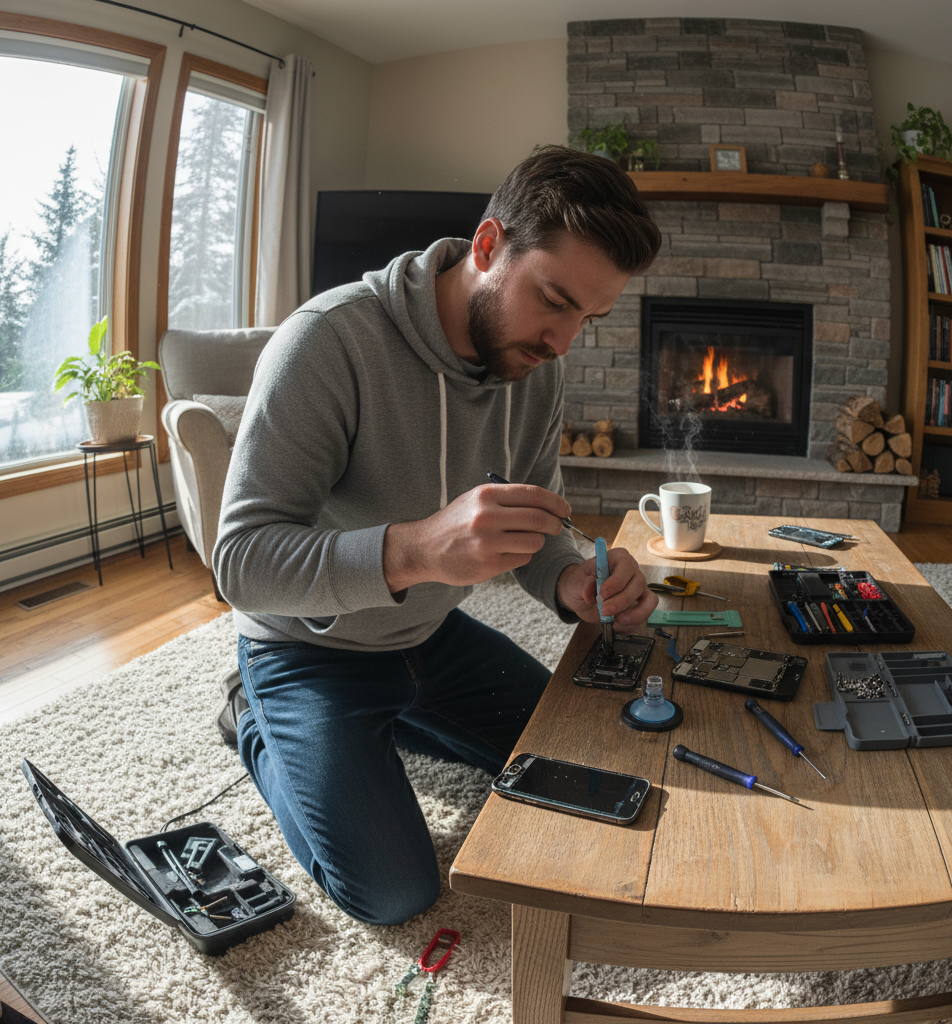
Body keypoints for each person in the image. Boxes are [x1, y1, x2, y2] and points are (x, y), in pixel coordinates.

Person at [212, 145, 662, 926]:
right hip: (307, 651)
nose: (563, 341)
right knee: (395, 893)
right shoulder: (326, 341)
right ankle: (250, 714)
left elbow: (542, 521)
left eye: (588, 318)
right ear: (487, 247)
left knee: (598, 761)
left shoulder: (537, 368)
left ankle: (400, 715)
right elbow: (241, 564)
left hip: (431, 635)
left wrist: (570, 580)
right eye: (553, 300)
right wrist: (417, 549)